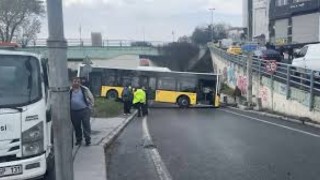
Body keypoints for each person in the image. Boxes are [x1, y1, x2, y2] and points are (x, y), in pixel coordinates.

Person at [70, 77, 94, 146]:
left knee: (86, 125)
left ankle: (87, 139)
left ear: (80, 82)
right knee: (77, 127)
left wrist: (90, 107)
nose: (76, 83)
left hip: (84, 111)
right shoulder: (69, 90)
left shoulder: (84, 89)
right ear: (72, 82)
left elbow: (91, 98)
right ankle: (79, 139)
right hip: (74, 112)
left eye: (78, 81)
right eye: (75, 81)